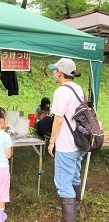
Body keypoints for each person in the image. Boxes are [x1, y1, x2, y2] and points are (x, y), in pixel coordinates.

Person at [47, 58, 86, 222]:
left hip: (66, 144)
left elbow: (58, 120)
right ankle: (74, 207)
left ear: (60, 73)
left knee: (63, 183)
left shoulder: (61, 92)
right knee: (75, 176)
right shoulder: (79, 89)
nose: (54, 73)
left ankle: (69, 218)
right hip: (80, 142)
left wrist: (51, 142)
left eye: (55, 70)